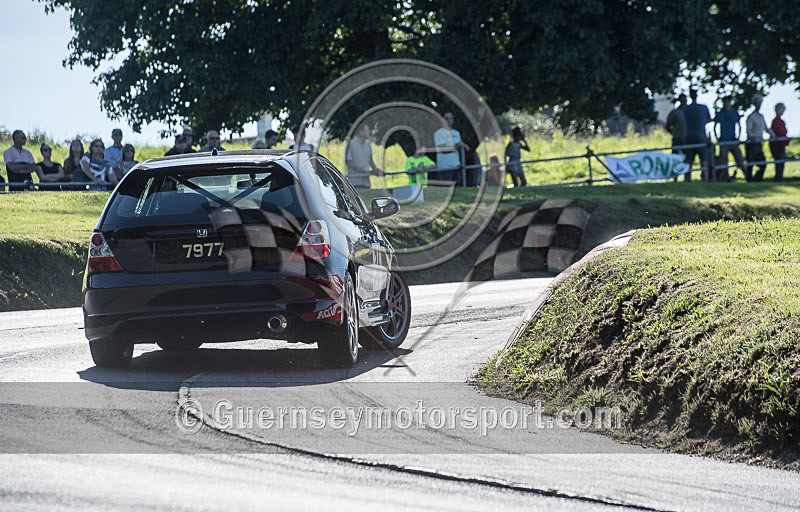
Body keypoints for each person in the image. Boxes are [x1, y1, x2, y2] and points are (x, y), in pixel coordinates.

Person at [682, 89, 712, 181]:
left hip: (688, 136)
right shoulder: (703, 107)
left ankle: (687, 180)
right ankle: (706, 180)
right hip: (701, 136)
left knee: (689, 160)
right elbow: (709, 119)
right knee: (704, 160)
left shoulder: (686, 109)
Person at [713, 96, 745, 181]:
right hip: (723, 141)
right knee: (724, 161)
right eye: (725, 102)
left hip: (733, 140)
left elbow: (739, 125)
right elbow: (715, 126)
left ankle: (747, 175)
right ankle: (726, 177)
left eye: (728, 102)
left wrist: (738, 137)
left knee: (739, 158)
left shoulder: (734, 113)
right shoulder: (720, 114)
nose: (726, 104)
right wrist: (717, 137)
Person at [433, 112, 469, 185]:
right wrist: (457, 146)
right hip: (445, 168)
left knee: (458, 191)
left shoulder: (456, 133)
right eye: (446, 118)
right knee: (448, 191)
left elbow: (460, 147)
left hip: (456, 166)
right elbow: (443, 149)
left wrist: (464, 145)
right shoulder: (439, 133)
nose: (449, 120)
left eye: (451, 118)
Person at [745, 94, 774, 182]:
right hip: (752, 143)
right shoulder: (751, 117)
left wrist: (773, 135)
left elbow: (766, 128)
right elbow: (749, 131)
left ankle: (758, 178)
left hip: (759, 143)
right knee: (751, 163)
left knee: (762, 163)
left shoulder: (761, 117)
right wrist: (752, 137)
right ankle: (749, 179)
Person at [345, 123, 381, 189]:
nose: (369, 132)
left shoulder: (368, 145)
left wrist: (376, 170)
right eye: (367, 130)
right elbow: (349, 163)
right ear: (360, 131)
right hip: (354, 182)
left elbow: (371, 161)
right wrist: (363, 171)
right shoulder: (351, 144)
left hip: (366, 183)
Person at [770, 103, 789, 182]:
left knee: (781, 163)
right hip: (777, 145)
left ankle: (779, 178)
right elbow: (779, 133)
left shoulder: (781, 121)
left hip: (781, 145)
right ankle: (778, 178)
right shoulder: (776, 121)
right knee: (779, 162)